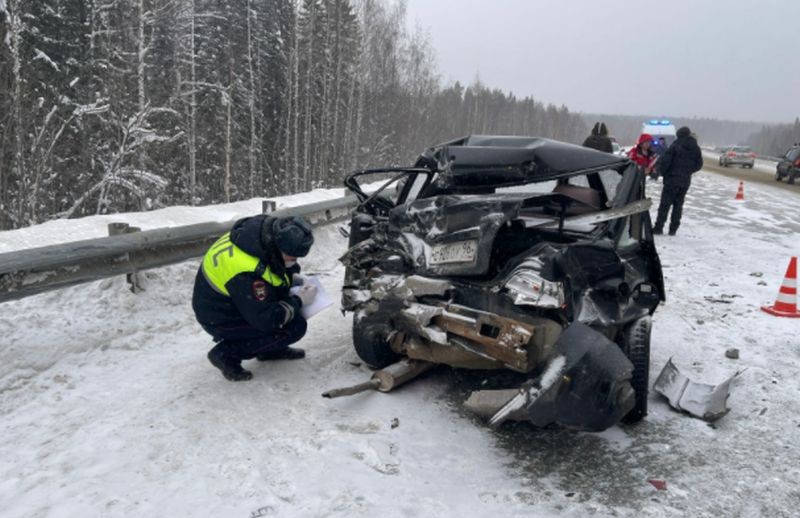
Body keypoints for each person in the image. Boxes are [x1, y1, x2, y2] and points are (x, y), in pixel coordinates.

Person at [192, 215, 316, 381]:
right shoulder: (245, 272)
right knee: (294, 326)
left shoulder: (260, 237)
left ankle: (269, 350)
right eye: (292, 258)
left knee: (285, 308)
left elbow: (272, 267)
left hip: (234, 302)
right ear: (279, 248)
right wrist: (299, 300)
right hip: (220, 317)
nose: (295, 262)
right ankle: (225, 354)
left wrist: (292, 277)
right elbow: (266, 318)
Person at [653, 126, 703, 236]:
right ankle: (673, 229)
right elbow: (699, 164)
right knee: (678, 205)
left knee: (665, 204)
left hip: (671, 179)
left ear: (679, 135)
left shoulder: (675, 146)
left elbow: (666, 162)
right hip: (685, 181)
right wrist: (688, 171)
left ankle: (659, 227)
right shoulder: (696, 148)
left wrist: (664, 173)